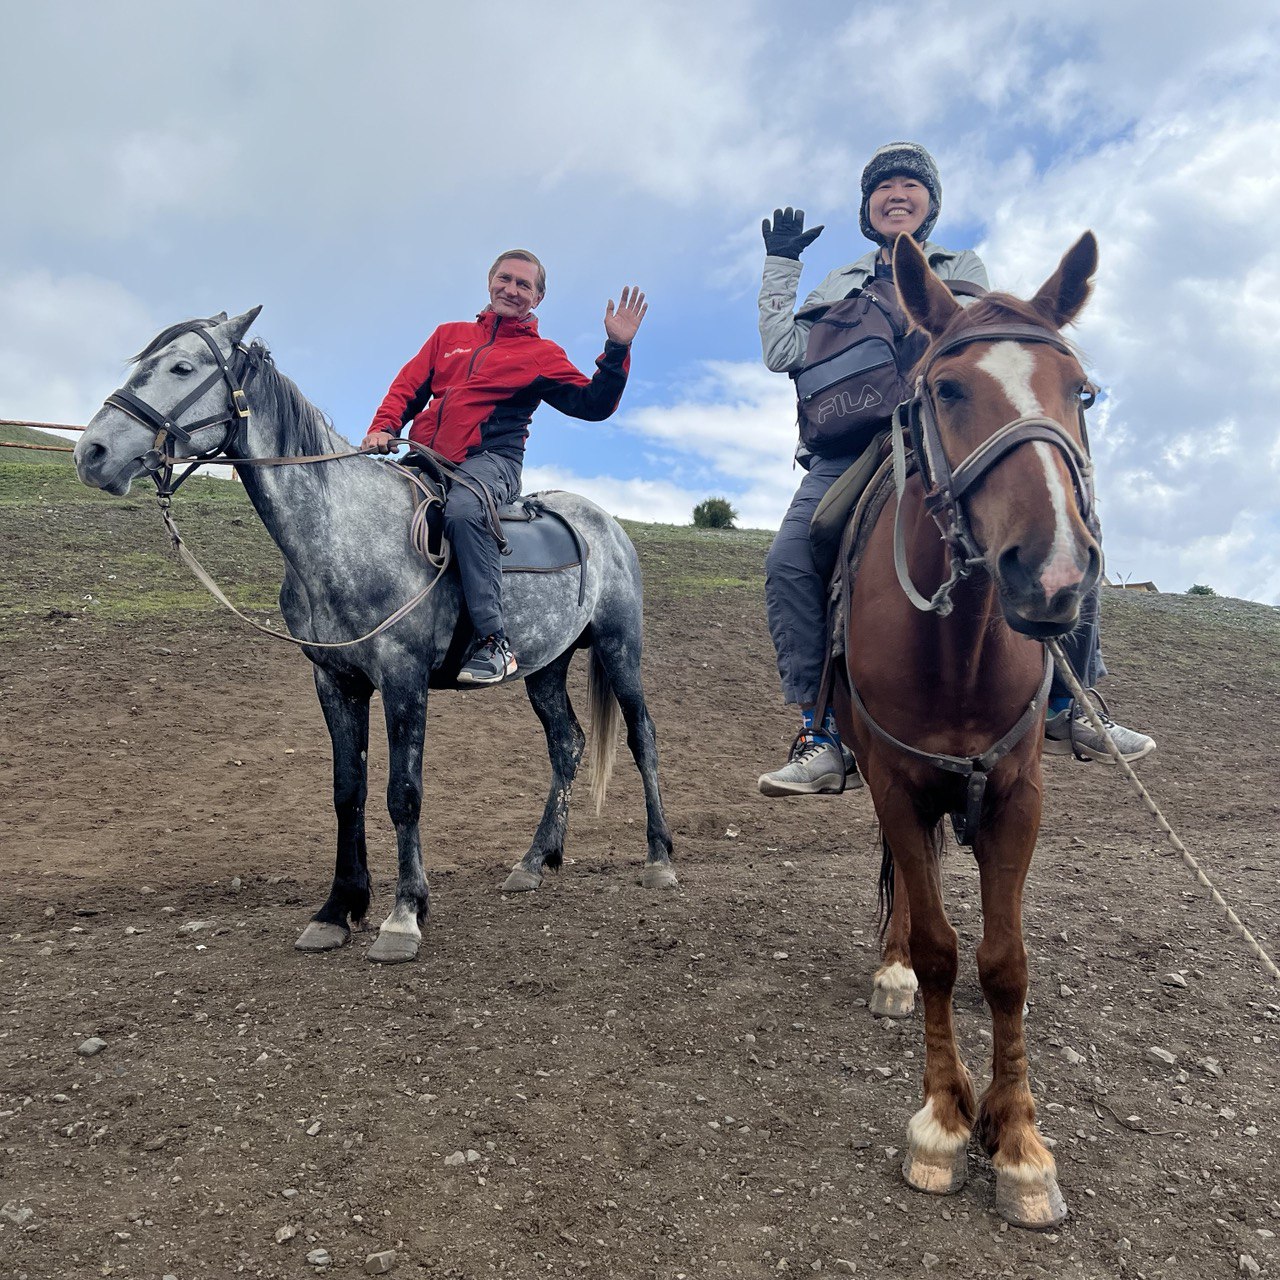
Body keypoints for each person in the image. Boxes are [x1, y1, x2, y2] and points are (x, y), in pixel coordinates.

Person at [755, 142, 1154, 797]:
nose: (897, 196)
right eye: (884, 189)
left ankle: (1068, 705)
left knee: (1067, 518)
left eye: (911, 187)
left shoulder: (960, 268)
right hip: (850, 451)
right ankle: (820, 731)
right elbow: (781, 352)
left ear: (930, 205)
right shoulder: (838, 285)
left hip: (941, 433)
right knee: (790, 556)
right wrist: (780, 266)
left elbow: (978, 349)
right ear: (867, 208)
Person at [362, 251, 647, 684]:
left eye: (524, 285)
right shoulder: (448, 336)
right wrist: (384, 427)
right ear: (490, 281)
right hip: (425, 457)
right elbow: (407, 387)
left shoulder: (542, 355)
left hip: (491, 462)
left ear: (538, 297)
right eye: (505, 279)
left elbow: (594, 404)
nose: (512, 290)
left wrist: (617, 348)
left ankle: (496, 643)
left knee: (463, 512)